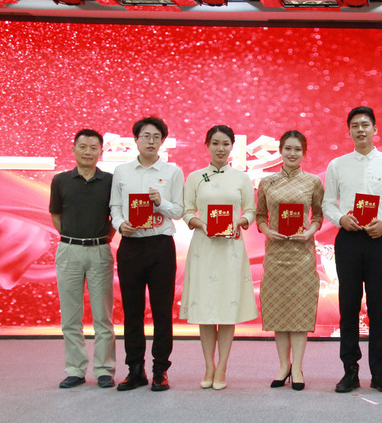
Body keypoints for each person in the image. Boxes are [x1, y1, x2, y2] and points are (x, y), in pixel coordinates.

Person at [322, 106, 382, 393]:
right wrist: (340, 219)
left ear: (375, 129)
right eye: (355, 126)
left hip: (378, 241)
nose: (360, 130)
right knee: (348, 307)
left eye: (365, 125)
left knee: (378, 307)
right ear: (349, 131)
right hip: (348, 240)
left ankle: (379, 374)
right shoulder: (337, 165)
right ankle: (350, 371)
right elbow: (328, 203)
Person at [179, 125, 259, 390]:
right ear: (207, 145)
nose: (220, 148)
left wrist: (239, 223)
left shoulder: (241, 178)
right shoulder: (195, 177)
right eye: (215, 143)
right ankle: (208, 366)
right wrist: (201, 224)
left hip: (230, 250)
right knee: (205, 309)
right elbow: (187, 211)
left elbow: (251, 210)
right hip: (204, 248)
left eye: (225, 143)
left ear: (232, 146)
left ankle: (222, 366)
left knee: (226, 309)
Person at [110, 116, 184, 392]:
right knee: (132, 310)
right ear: (136, 139)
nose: (151, 141)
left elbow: (179, 210)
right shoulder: (122, 171)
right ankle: (135, 369)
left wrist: (160, 202)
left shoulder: (173, 172)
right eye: (145, 136)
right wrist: (121, 225)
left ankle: (160, 369)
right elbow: (115, 207)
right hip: (131, 246)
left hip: (160, 245)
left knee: (162, 311)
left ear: (163, 141)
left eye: (156, 137)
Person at [257, 130, 324, 391]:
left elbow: (317, 216)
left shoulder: (313, 182)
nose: (292, 153)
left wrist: (309, 232)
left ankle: (297, 368)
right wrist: (266, 230)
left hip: (302, 255)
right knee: (279, 309)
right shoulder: (267, 182)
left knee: (299, 310)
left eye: (297, 149)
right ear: (280, 151)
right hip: (276, 254)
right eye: (288, 149)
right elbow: (260, 216)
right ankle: (283, 366)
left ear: (304, 153)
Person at [49, 129, 116, 389]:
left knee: (103, 315)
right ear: (74, 149)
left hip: (100, 250)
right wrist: (72, 238)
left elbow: (115, 217)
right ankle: (75, 369)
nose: (88, 152)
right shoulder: (60, 180)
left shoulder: (110, 181)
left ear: (101, 151)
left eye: (93, 147)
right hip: (69, 250)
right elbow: (56, 215)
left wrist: (103, 238)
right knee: (70, 315)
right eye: (83, 147)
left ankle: (104, 369)